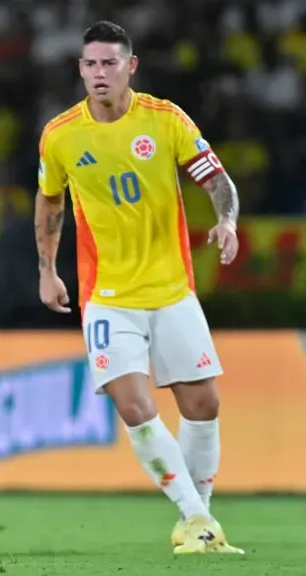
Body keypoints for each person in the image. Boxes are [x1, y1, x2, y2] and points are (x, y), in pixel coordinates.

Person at [35, 22, 243, 555]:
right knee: (133, 406)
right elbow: (50, 200)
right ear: (79, 69)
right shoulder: (60, 134)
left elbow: (217, 179)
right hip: (107, 296)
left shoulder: (165, 119)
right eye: (89, 64)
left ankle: (198, 522)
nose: (98, 73)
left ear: (131, 66)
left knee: (203, 404)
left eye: (109, 63)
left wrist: (227, 221)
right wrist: (47, 268)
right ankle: (197, 520)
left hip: (173, 292)